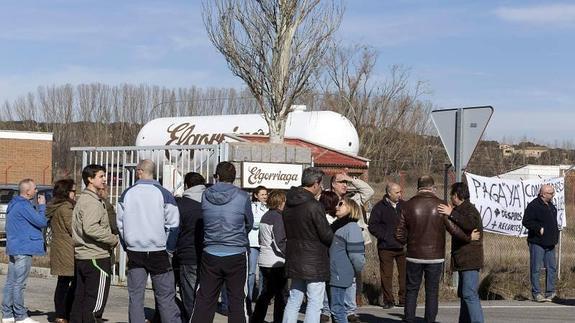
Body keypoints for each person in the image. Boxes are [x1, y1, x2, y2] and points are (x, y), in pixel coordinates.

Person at [395, 175, 478, 323]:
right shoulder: (441, 205)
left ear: (418, 188)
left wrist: (409, 243)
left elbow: (399, 233)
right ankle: (430, 320)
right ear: (432, 188)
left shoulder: (407, 206)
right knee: (432, 292)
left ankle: (409, 319)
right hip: (435, 256)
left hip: (414, 255)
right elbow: (453, 229)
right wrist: (468, 238)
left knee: (412, 290)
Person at [116, 159, 181, 323]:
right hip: (159, 251)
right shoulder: (164, 193)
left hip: (135, 251)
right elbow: (174, 225)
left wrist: (127, 245)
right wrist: (169, 249)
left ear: (139, 171)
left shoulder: (127, 194)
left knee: (136, 297)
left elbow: (120, 225)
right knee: (165, 297)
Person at [190, 161, 254, 323]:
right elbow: (249, 223)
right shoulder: (242, 196)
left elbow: (205, 218)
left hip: (210, 251)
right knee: (237, 299)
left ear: (216, 177)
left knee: (204, 299)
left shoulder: (206, 194)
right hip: (236, 252)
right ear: (234, 178)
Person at [282, 167, 334, 323]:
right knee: (314, 302)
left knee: (294, 300)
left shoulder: (289, 203)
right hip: (314, 260)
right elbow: (326, 235)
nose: (322, 187)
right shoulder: (314, 205)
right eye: (321, 184)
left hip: (294, 256)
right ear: (316, 183)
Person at [70, 164, 119, 323]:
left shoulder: (85, 199)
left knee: (81, 299)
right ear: (90, 180)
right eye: (101, 176)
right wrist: (112, 239)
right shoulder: (91, 202)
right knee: (95, 304)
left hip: (85, 256)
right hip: (96, 257)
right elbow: (90, 228)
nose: (105, 180)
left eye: (104, 176)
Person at [1, 179, 48, 323]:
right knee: (19, 284)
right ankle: (20, 316)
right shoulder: (24, 206)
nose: (36, 191)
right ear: (27, 191)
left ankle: (7, 314)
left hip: (15, 247)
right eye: (35, 189)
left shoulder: (14, 204)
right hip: (23, 248)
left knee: (11, 282)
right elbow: (42, 222)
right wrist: (42, 206)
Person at [438, 182, 484, 323]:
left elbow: (469, 224)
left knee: (469, 294)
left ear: (457, 196)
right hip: (463, 259)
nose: (451, 198)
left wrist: (450, 213)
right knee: (464, 294)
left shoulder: (469, 209)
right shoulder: (462, 209)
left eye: (452, 195)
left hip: (470, 259)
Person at [330, 172, 374, 322]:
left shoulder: (353, 199)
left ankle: (350, 310)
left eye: (345, 182)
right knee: (336, 279)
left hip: (354, 242)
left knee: (353, 277)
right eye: (341, 182)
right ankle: (328, 309)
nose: (344, 185)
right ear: (332, 184)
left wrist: (351, 179)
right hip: (336, 245)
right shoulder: (328, 201)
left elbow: (369, 191)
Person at [251, 190, 287, 323]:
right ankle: (279, 320)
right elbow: (280, 242)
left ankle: (257, 319)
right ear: (280, 202)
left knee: (266, 293)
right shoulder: (278, 218)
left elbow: (261, 240)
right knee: (281, 295)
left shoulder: (265, 216)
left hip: (264, 259)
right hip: (276, 262)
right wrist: (288, 255)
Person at [368, 182, 406, 309]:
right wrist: (385, 236)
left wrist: (407, 237)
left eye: (400, 192)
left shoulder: (404, 206)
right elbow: (372, 226)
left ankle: (404, 299)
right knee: (386, 275)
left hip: (403, 246)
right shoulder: (379, 207)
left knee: (405, 274)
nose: (400, 195)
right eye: (397, 192)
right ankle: (388, 300)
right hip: (386, 247)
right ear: (389, 193)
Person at [329, 197, 366, 323]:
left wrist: (355, 271)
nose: (336, 207)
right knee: (335, 309)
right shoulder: (337, 226)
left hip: (341, 274)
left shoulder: (352, 227)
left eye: (341, 204)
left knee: (338, 310)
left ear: (351, 208)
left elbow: (357, 256)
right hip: (334, 273)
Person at [175, 172, 206, 321]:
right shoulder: (211, 202)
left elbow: (175, 230)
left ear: (187, 185)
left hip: (187, 254)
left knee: (189, 295)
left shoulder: (181, 205)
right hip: (209, 255)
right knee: (204, 294)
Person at [522, 184, 559, 302]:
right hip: (537, 242)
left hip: (550, 243)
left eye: (553, 193)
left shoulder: (551, 206)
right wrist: (538, 228)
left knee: (552, 268)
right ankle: (536, 293)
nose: (552, 195)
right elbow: (526, 221)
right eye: (550, 193)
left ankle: (550, 292)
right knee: (536, 268)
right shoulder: (534, 205)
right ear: (543, 194)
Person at [46, 179, 77, 323]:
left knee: (63, 282)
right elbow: (73, 228)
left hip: (60, 247)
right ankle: (62, 314)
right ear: (66, 192)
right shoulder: (66, 208)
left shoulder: (57, 206)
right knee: (66, 283)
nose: (75, 194)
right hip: (67, 248)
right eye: (73, 191)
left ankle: (61, 313)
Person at [318, 190, 339, 322]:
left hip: (330, 254)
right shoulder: (326, 219)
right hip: (327, 254)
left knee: (329, 284)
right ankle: (327, 309)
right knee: (328, 283)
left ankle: (328, 309)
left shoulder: (334, 217)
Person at [248, 186, 268, 304]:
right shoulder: (250, 207)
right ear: (256, 195)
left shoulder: (267, 208)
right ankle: (249, 296)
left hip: (264, 242)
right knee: (251, 272)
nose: (265, 196)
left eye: (266, 194)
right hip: (252, 242)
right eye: (262, 194)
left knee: (263, 272)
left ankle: (261, 297)